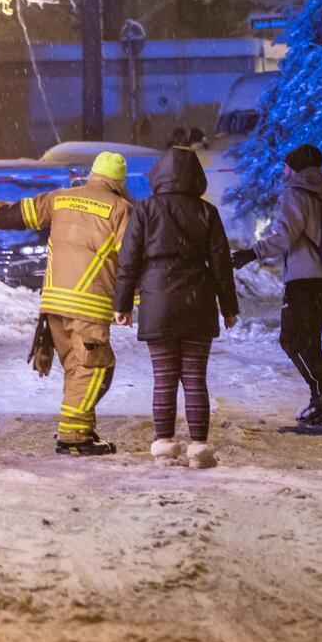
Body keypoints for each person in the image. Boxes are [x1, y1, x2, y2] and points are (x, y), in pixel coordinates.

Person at [0, 151, 135, 455]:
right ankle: (73, 436)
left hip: (54, 303)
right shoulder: (121, 209)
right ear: (118, 182)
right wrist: (130, 301)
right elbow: (130, 260)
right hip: (89, 304)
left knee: (75, 366)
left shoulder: (61, 198)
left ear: (93, 174)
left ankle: (83, 429)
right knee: (95, 368)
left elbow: (13, 215)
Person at [113, 146, 239, 468]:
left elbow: (128, 260)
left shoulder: (145, 210)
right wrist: (228, 306)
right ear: (196, 177)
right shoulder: (206, 212)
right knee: (195, 378)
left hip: (158, 301)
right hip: (198, 299)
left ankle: (165, 445)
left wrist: (122, 303)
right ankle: (199, 448)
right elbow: (221, 262)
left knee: (164, 378)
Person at [232, 144, 322, 427]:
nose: (282, 172)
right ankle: (321, 403)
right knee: (311, 340)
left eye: (285, 166)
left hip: (303, 277)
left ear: (294, 168)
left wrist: (252, 252)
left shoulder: (295, 192)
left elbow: (285, 236)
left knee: (291, 340)